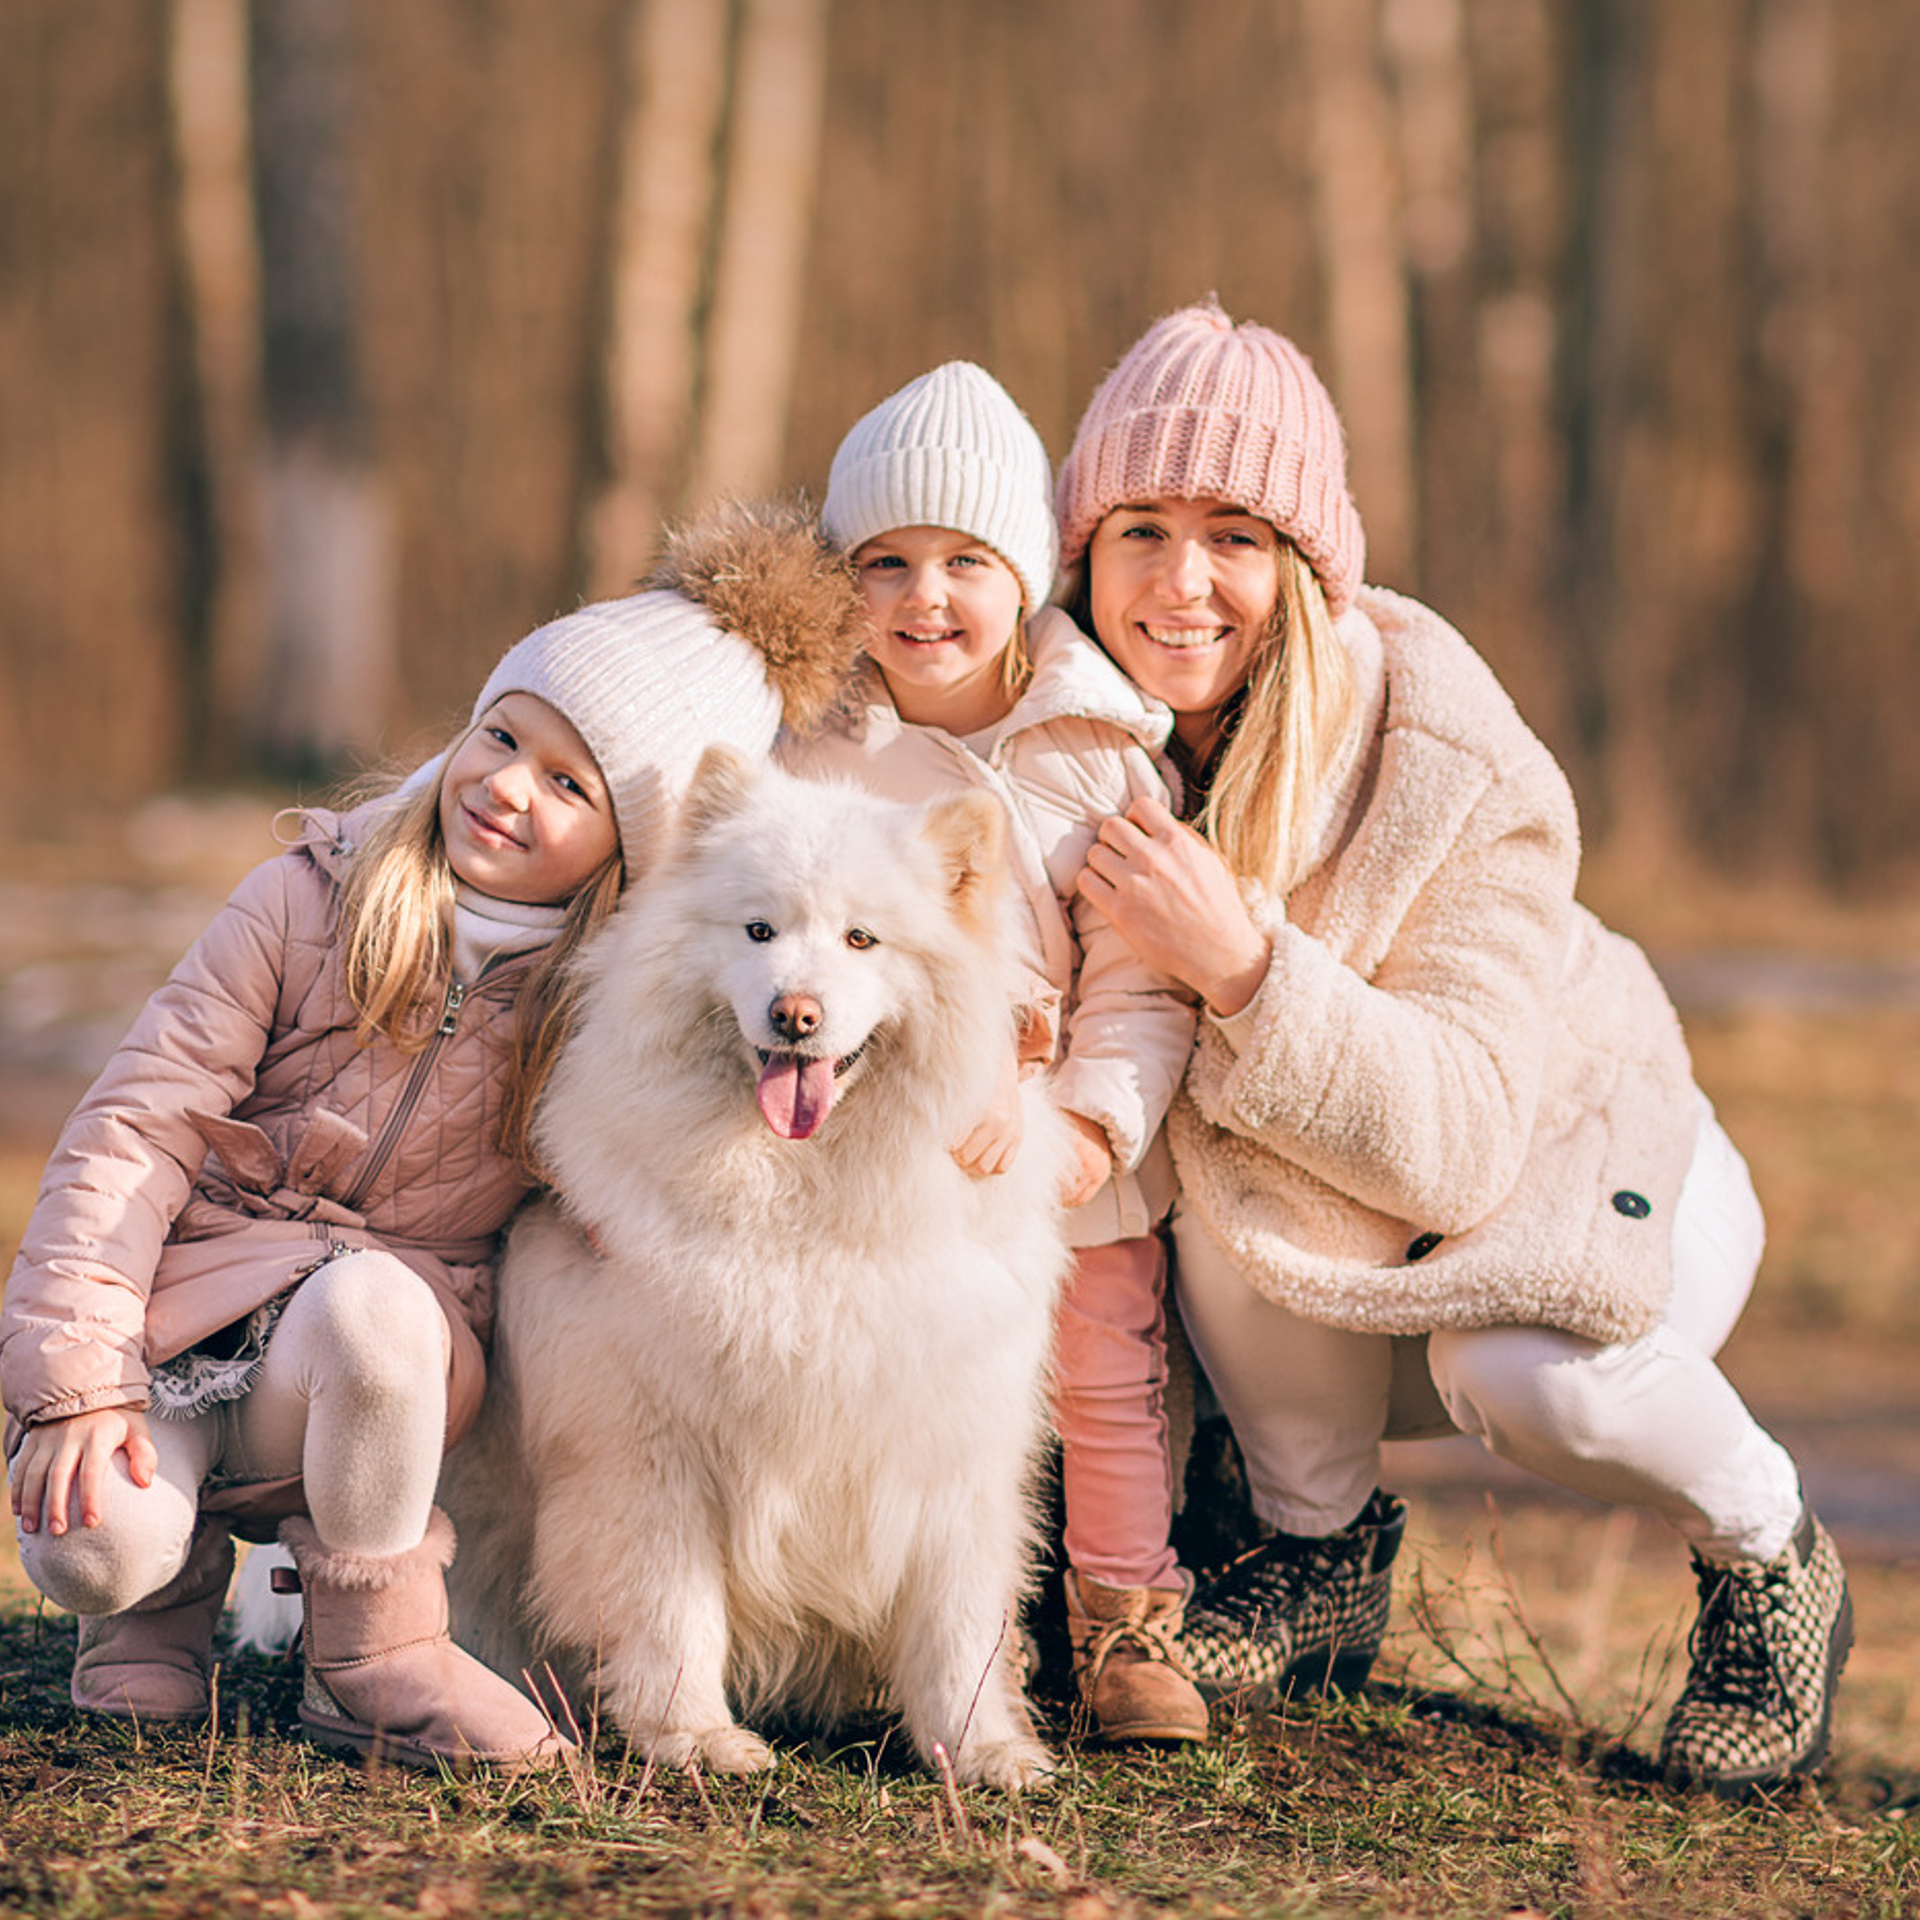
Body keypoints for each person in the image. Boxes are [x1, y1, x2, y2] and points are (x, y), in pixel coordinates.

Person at [1053, 298, 1852, 1795]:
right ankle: (1316, 1555)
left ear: (1303, 566)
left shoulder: (1451, 759)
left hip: (1580, 1157)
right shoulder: (1071, 732)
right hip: (1353, 1230)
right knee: (1226, 1161)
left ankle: (1770, 1557)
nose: (1179, 582)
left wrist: (1241, 967)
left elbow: (1468, 1141)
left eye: (1232, 532)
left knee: (1529, 1374)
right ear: (1079, 550)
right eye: (1138, 529)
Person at [2, 504, 859, 1770]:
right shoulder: (307, 898)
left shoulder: (599, 1013)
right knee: (92, 1544)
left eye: (570, 784)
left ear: (631, 851)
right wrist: (79, 1384)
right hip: (185, 1331)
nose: (509, 786)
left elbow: (714, 1132)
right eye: (501, 734)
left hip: (372, 1380)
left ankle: (372, 1653)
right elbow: (135, 1124)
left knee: (375, 1305)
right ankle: (158, 1597)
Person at [786, 361, 1206, 1743]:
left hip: (1050, 1136)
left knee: (1097, 1357)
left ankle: (1124, 1618)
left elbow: (1146, 985)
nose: (924, 598)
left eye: (967, 561)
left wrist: (1080, 1122)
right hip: (878, 1152)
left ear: (1027, 575)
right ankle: (907, 1605)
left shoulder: (1096, 751)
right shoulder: (825, 747)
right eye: (884, 562)